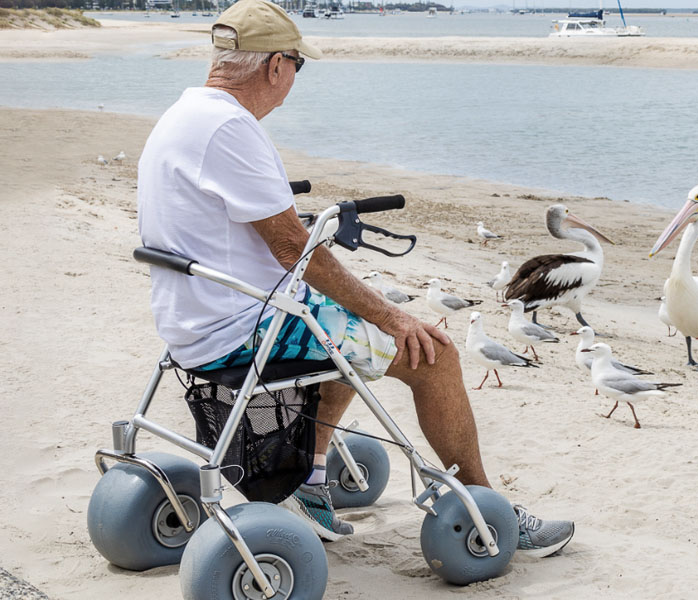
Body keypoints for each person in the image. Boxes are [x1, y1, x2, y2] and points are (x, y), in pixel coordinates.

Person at [136, 0, 572, 558]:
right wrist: (393, 315)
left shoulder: (183, 115)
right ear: (276, 66)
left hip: (189, 322)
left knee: (340, 323)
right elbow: (295, 249)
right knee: (434, 354)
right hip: (241, 329)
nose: (294, 77)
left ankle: (311, 481)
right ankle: (489, 508)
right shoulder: (231, 128)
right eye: (297, 65)